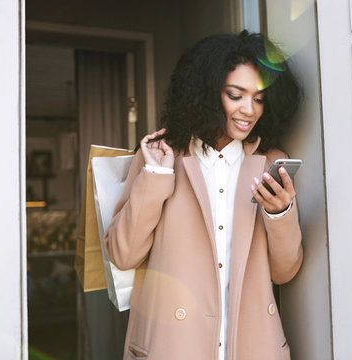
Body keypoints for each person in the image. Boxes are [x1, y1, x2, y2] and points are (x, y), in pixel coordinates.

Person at [104, 30, 303, 360]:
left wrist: (280, 214)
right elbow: (122, 255)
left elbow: (284, 272)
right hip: (174, 346)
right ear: (209, 94)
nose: (249, 110)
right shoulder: (161, 154)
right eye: (235, 95)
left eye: (258, 98)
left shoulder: (269, 162)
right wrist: (155, 177)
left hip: (252, 346)